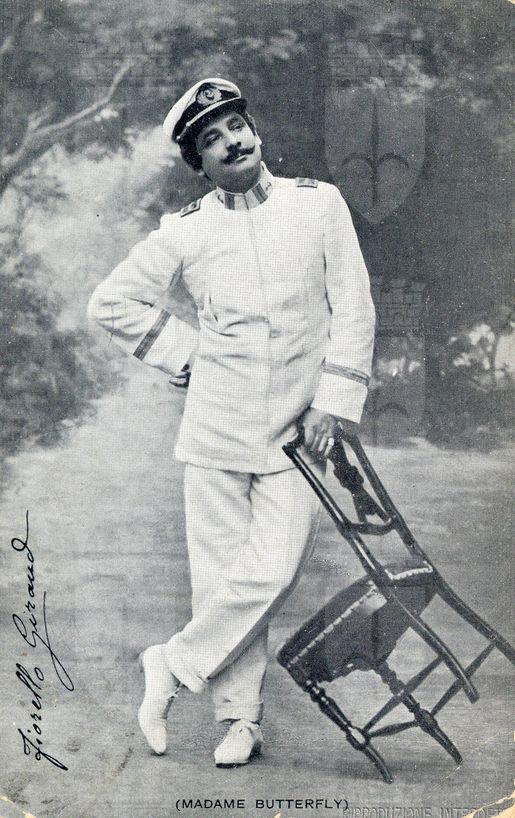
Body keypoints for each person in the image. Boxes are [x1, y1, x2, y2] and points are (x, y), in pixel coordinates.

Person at [87, 77, 376, 767]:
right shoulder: (187, 230)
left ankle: (171, 663)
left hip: (296, 434)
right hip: (216, 431)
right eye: (212, 141)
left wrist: (333, 402)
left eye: (235, 127)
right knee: (220, 579)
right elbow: (111, 302)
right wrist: (188, 356)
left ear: (254, 130)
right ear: (200, 164)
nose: (231, 144)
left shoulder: (318, 204)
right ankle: (239, 721)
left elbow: (354, 306)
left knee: (273, 567)